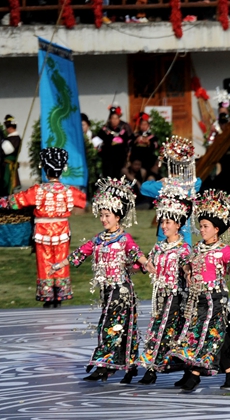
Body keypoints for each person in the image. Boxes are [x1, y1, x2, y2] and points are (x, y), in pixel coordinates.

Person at [61, 177, 143, 383]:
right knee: (118, 328)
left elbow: (137, 255)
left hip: (121, 290)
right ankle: (128, 365)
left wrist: (146, 264)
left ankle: (103, 365)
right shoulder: (99, 238)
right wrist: (62, 263)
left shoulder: (124, 239)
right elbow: (82, 251)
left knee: (109, 326)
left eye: (107, 215)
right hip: (107, 290)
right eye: (102, 215)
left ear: (118, 217)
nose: (103, 219)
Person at [169, 189, 230, 391]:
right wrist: (187, 270)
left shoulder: (224, 249)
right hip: (197, 297)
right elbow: (187, 263)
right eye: (201, 226)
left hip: (215, 297)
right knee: (209, 334)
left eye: (205, 227)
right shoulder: (197, 248)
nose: (202, 230)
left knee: (207, 333)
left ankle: (195, 375)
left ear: (216, 229)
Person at [0, 148, 86, 307]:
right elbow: (82, 201)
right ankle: (59, 295)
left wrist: (4, 200)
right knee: (60, 261)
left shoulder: (37, 190)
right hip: (62, 231)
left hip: (42, 232)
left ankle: (47, 296)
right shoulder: (70, 191)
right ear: (62, 170)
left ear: (46, 170)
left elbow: (15, 201)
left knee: (44, 262)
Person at [134, 179, 192, 385]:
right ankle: (155, 368)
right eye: (163, 222)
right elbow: (148, 265)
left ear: (178, 224)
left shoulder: (184, 249)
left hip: (177, 298)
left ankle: (156, 370)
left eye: (169, 222)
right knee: (158, 330)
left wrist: (187, 273)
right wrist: (141, 265)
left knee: (170, 332)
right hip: (160, 297)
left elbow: (187, 267)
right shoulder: (159, 247)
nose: (164, 226)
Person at [98, 106, 134, 178]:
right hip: (108, 159)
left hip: (120, 159)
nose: (114, 120)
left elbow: (129, 142)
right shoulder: (104, 130)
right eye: (112, 118)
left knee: (119, 177)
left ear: (119, 119)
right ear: (110, 119)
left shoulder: (123, 131)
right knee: (109, 177)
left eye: (116, 118)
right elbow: (99, 143)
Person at [1, 115, 21, 195]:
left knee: (7, 186)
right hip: (4, 166)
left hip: (8, 167)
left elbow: (5, 150)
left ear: (10, 128)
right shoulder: (9, 138)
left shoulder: (15, 139)